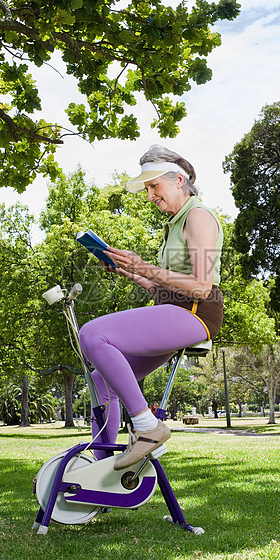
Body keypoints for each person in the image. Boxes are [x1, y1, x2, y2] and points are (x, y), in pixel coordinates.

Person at [79, 145, 223, 470]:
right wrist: (129, 271)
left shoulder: (198, 216)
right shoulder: (174, 224)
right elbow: (163, 286)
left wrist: (144, 267)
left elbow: (201, 285)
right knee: (102, 381)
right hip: (174, 311)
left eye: (153, 185)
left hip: (197, 312)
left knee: (93, 335)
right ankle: (102, 473)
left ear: (179, 180)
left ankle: (147, 426)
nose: (149, 195)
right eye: (147, 188)